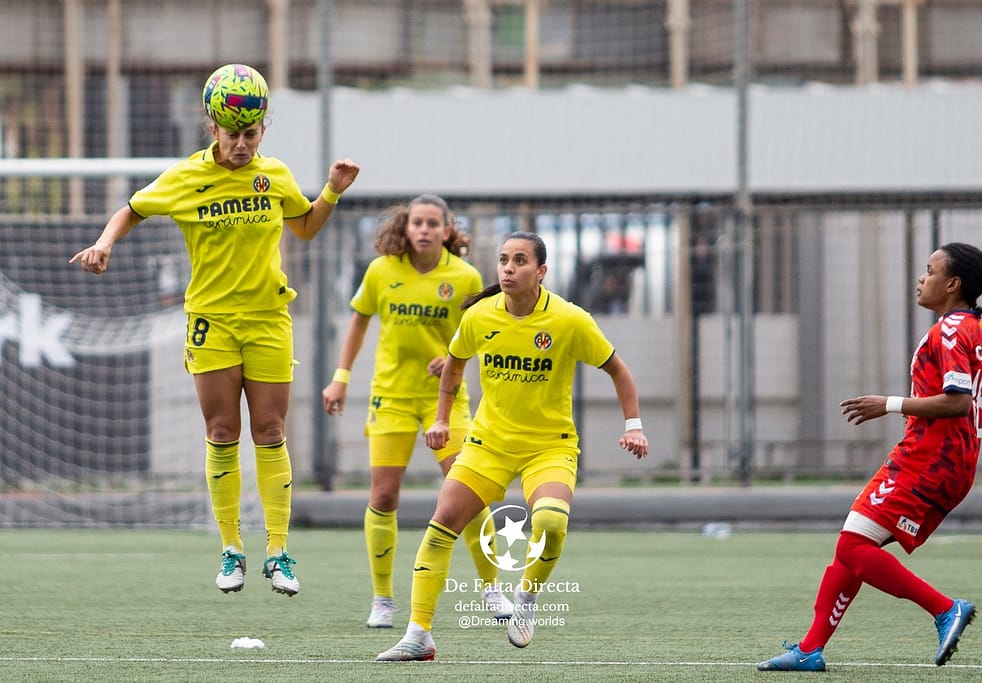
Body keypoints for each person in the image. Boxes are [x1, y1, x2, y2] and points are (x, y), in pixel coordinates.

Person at [70, 63, 361, 598]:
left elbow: (305, 226)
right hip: (212, 322)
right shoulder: (186, 177)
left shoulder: (273, 174)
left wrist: (332, 191)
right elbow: (131, 209)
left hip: (270, 320)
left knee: (270, 432)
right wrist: (105, 243)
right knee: (223, 432)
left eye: (252, 134)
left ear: (262, 130)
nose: (243, 145)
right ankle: (232, 549)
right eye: (233, 135)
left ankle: (279, 552)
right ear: (212, 130)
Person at [376, 230, 649, 661]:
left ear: (541, 272)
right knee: (442, 522)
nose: (508, 268)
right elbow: (452, 367)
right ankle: (418, 635)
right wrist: (442, 419)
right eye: (504, 260)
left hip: (549, 447)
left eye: (520, 261)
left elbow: (618, 370)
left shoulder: (569, 319)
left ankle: (526, 599)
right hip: (489, 445)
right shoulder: (480, 316)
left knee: (552, 524)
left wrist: (633, 426)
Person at [757, 242, 982, 672]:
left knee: (854, 547)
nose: (921, 277)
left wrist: (890, 404)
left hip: (925, 461)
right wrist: (963, 430)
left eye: (930, 270)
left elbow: (956, 402)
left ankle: (944, 609)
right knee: (851, 548)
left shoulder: (950, 329)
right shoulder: (981, 334)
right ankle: (809, 650)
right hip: (953, 464)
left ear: (952, 285)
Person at [321, 194, 513, 628]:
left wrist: (453, 357)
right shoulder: (381, 271)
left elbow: (485, 330)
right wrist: (341, 377)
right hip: (391, 397)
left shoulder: (464, 277)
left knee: (466, 490)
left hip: (444, 399)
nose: (423, 230)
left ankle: (492, 587)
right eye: (416, 223)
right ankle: (383, 600)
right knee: (384, 496)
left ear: (448, 231)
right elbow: (358, 320)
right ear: (405, 229)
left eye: (433, 223)